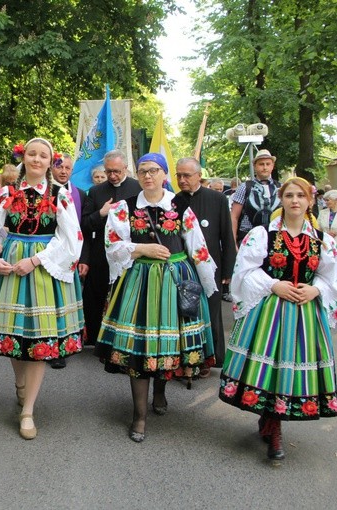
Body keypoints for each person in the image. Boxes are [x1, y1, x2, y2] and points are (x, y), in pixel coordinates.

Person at [219, 177, 337, 462]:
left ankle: (273, 424)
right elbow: (244, 271)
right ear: (282, 199)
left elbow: (335, 279)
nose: (294, 201)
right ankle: (272, 424)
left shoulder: (322, 240)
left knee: (288, 369)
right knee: (271, 367)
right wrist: (272, 285)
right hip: (269, 311)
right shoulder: (263, 234)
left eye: (300, 196)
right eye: (289, 195)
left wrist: (316, 289)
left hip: (305, 314)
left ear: (309, 201)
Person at [95, 153, 217, 443]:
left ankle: (160, 392)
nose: (148, 176)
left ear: (165, 175)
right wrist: (141, 249)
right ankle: (139, 415)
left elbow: (197, 247)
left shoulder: (180, 207)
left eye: (154, 171)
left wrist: (207, 284)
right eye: (142, 171)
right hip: (140, 281)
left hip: (174, 280)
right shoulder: (124, 208)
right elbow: (112, 244)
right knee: (141, 347)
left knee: (168, 343)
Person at [0, 138, 84, 439]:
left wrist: (36, 259)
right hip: (12, 267)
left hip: (42, 269)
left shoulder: (60, 194)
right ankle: (20, 386)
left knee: (40, 340)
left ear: (51, 162)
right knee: (14, 335)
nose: (37, 159)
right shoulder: (6, 194)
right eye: (32, 154)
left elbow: (71, 238)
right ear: (24, 158)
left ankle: (28, 410)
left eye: (43, 155)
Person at [176, 157, 236, 375]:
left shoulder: (217, 199)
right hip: (184, 268)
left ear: (199, 175)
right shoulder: (174, 201)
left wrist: (228, 270)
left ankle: (210, 359)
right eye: (178, 175)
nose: (182, 180)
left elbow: (226, 236)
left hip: (213, 267)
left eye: (186, 175)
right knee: (187, 313)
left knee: (211, 313)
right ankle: (188, 359)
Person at [79, 150, 141, 346]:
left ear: (125, 169)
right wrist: (101, 213)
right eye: (109, 172)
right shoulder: (96, 191)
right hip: (100, 254)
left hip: (130, 254)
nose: (112, 176)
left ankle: (124, 339)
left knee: (126, 296)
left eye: (116, 171)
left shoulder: (138, 189)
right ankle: (98, 340)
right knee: (96, 298)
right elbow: (85, 226)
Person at [44, 152, 86, 369]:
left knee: (63, 304)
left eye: (67, 168)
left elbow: (83, 229)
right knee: (47, 303)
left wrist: (83, 258)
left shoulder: (79, 195)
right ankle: (46, 345)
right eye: (59, 167)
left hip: (69, 255)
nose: (63, 171)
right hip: (45, 253)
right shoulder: (44, 191)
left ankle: (63, 346)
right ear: (52, 167)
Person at [231, 149, 280, 245]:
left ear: (272, 166)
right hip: (248, 238)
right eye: (261, 164)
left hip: (275, 238)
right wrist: (233, 243)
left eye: (268, 164)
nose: (265, 167)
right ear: (254, 166)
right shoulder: (244, 187)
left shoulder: (280, 188)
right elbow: (234, 216)